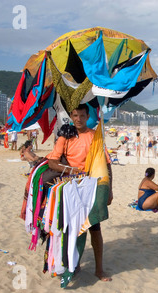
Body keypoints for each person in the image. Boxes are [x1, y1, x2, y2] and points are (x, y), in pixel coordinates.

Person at [46, 104, 112, 282]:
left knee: (95, 227)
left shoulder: (95, 137)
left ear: (87, 116)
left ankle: (99, 269)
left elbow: (106, 163)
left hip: (93, 186)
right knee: (72, 228)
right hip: (72, 187)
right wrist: (70, 170)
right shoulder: (65, 136)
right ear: (71, 116)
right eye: (75, 116)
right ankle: (73, 265)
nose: (78, 119)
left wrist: (109, 190)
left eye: (82, 116)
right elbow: (52, 162)